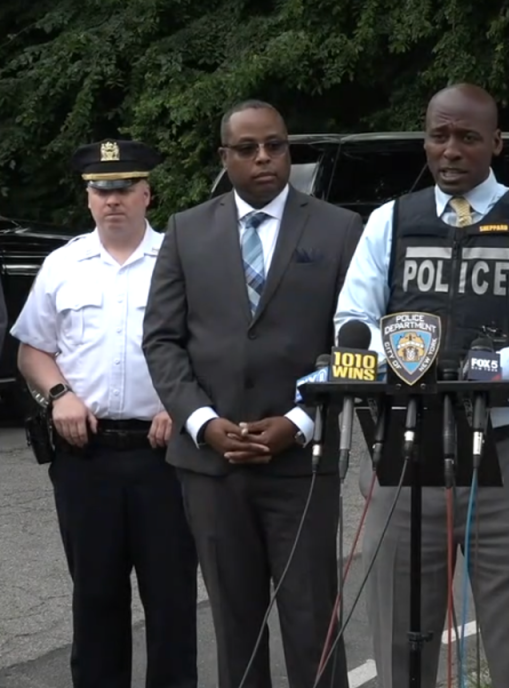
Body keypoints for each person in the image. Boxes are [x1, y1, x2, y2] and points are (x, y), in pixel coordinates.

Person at [334, 83, 509, 688]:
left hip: (503, 454)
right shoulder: (391, 220)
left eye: (467, 137)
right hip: (404, 453)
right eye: (439, 135)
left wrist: (491, 369)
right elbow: (353, 318)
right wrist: (398, 358)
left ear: (495, 143)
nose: (450, 150)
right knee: (399, 642)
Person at [141, 100, 363, 688]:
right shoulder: (188, 231)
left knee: (313, 620)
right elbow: (162, 341)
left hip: (301, 462)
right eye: (247, 149)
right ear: (226, 157)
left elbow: (355, 345)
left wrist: (301, 419)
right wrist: (203, 422)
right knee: (235, 628)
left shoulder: (340, 229)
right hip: (211, 465)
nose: (263, 157)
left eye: (275, 145)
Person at [10, 139, 198, 688]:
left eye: (123, 188)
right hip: (85, 455)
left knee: (170, 598)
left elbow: (208, 348)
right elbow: (31, 350)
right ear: (88, 199)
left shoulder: (179, 262)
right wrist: (59, 394)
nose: (111, 199)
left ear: (146, 194)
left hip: (164, 455)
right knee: (94, 597)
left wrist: (179, 404)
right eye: (100, 190)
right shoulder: (63, 264)